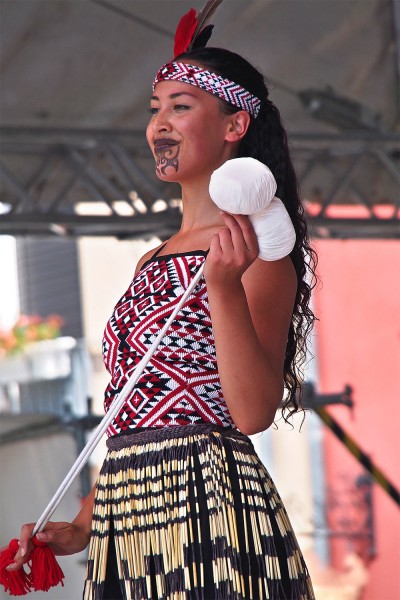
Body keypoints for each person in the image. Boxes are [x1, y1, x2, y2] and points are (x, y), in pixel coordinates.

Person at [9, 8, 317, 600]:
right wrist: (82, 523)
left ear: (234, 125)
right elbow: (132, 407)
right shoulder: (154, 259)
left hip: (209, 509)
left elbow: (252, 412)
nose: (159, 125)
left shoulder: (258, 247)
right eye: (155, 110)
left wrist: (223, 287)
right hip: (127, 517)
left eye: (180, 106)